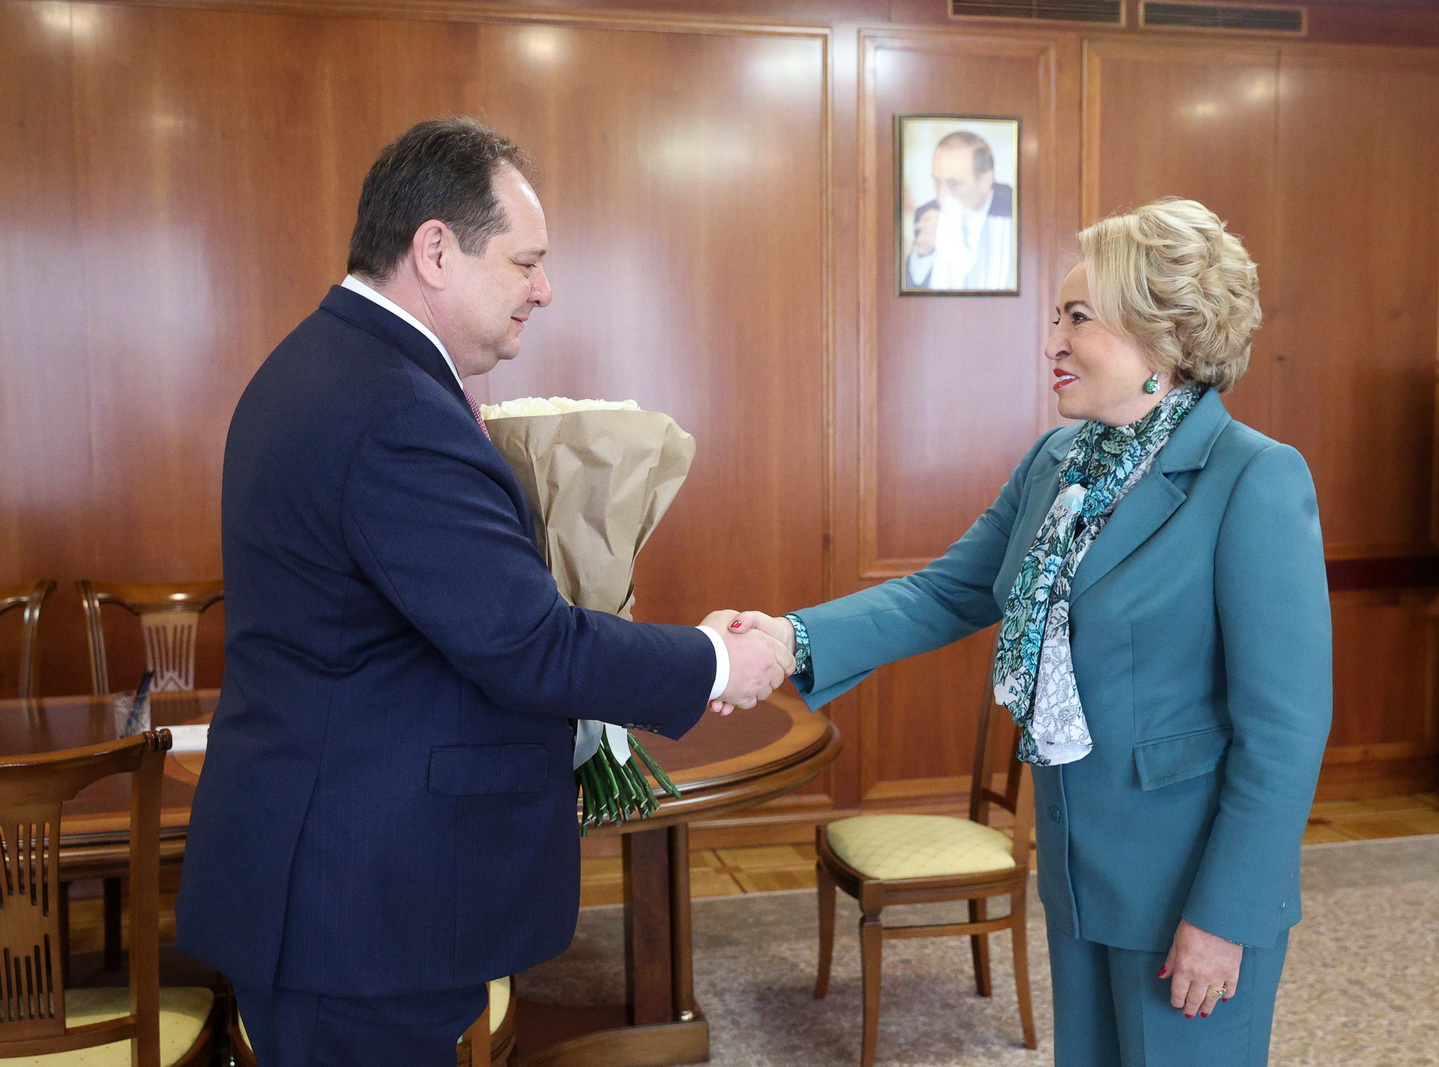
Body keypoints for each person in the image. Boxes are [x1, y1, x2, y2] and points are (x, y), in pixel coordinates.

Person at [174, 118, 792, 1066]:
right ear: (434, 251)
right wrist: (718, 659)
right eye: (525, 263)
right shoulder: (392, 409)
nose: (544, 290)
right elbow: (527, 644)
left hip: (339, 877)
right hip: (358, 897)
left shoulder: (332, 365)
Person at [721, 198, 1331, 1066]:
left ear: (1163, 338)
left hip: (1190, 886)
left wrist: (1224, 915)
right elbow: (945, 592)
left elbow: (1286, 730)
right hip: (1080, 868)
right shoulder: (1058, 463)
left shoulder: (1253, 478)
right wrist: (788, 638)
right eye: (1057, 317)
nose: (1053, 342)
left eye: (1079, 318)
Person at [904, 130, 1016, 291]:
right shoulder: (926, 214)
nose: (941, 196)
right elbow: (910, 293)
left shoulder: (1018, 213)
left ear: (985, 181)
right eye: (937, 181)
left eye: (954, 183)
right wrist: (922, 253)